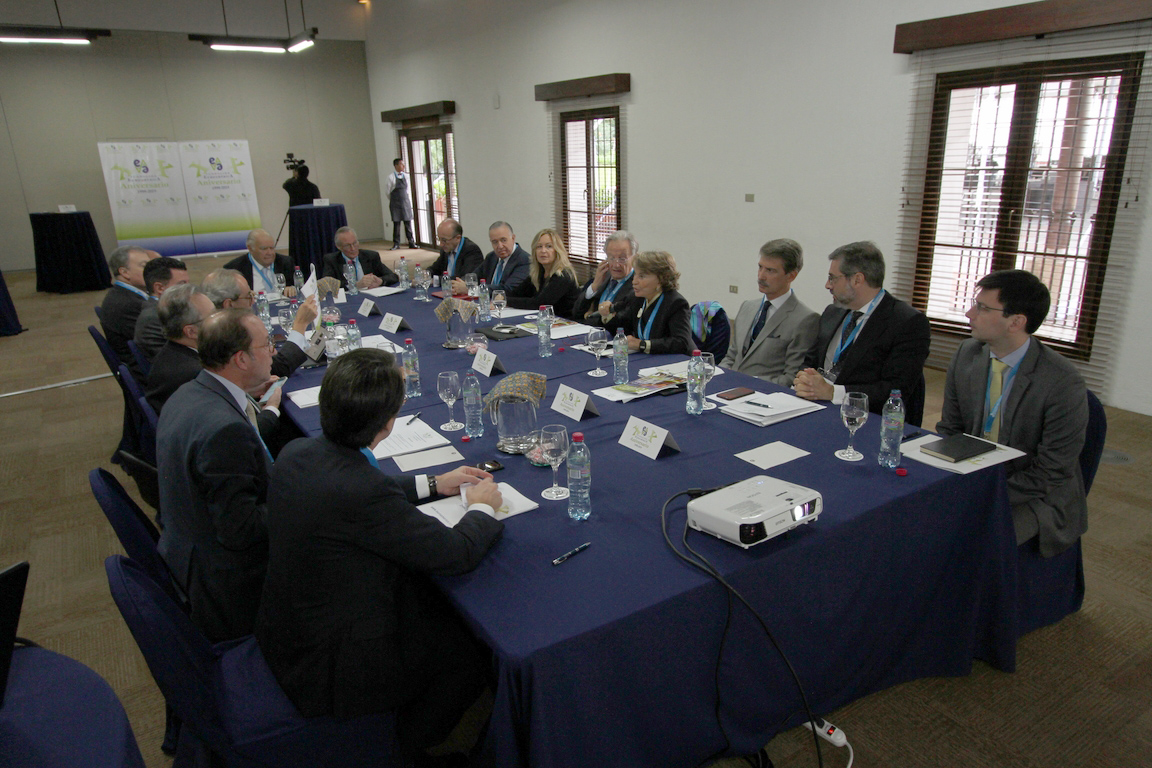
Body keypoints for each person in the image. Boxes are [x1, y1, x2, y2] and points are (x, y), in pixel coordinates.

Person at [256, 348, 504, 765]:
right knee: (468, 655)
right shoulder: (362, 491)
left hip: (287, 627)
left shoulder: (297, 452)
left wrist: (433, 483)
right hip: (332, 664)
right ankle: (400, 750)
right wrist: (481, 508)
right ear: (388, 423)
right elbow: (456, 552)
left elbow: (364, 492)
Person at [937, 270, 1088, 556]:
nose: (969, 314)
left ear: (1016, 322)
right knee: (917, 515)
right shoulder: (967, 354)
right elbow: (950, 429)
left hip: (1034, 494)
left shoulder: (1062, 381)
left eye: (982, 308)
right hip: (974, 472)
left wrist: (986, 495)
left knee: (972, 540)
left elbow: (1051, 471)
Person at [157, 309, 282, 642]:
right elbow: (241, 530)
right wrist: (298, 498)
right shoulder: (225, 430)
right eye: (267, 344)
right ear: (241, 359)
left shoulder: (188, 393)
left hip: (189, 551)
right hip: (232, 586)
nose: (273, 351)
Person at [794, 241, 931, 426]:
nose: (827, 285)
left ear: (857, 280)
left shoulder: (907, 322)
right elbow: (810, 361)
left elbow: (895, 389)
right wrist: (804, 380)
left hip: (865, 421)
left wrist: (833, 393)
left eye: (833, 278)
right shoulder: (832, 312)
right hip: (814, 410)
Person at [721, 238, 819, 386]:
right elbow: (732, 356)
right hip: (727, 388)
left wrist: (745, 382)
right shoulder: (747, 307)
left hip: (763, 393)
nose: (761, 276)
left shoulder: (805, 319)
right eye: (760, 267)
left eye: (770, 270)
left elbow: (792, 378)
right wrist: (719, 375)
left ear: (791, 276)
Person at [201, 268, 318, 379]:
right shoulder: (224, 335)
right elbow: (277, 368)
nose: (253, 301)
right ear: (229, 304)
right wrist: (300, 324)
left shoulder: (209, 328)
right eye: (248, 297)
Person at [602, 251, 694, 355]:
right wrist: (607, 314)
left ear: (661, 279)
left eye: (641, 276)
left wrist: (642, 345)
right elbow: (622, 328)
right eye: (635, 274)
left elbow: (681, 343)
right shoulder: (638, 299)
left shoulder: (676, 303)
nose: (634, 281)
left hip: (680, 360)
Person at [145, 283, 216, 414]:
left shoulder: (173, 352)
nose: (220, 321)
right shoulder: (196, 375)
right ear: (191, 331)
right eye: (213, 317)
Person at [99, 245, 156, 377]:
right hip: (147, 371)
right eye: (144, 266)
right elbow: (158, 341)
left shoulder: (124, 294)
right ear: (124, 272)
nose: (151, 272)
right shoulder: (128, 304)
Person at [505, 228, 581, 318]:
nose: (543, 251)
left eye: (549, 246)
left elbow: (540, 304)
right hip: (546, 320)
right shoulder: (539, 273)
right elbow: (517, 293)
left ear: (557, 250)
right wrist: (501, 297)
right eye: (539, 247)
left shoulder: (563, 275)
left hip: (568, 323)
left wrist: (505, 301)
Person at [571, 230, 637, 326]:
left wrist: (590, 317)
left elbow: (622, 323)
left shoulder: (637, 285)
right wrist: (594, 286)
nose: (616, 265)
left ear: (634, 258)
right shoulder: (604, 276)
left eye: (622, 259)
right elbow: (576, 313)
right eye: (611, 258)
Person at [133, 256, 189, 361]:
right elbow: (177, 359)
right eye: (182, 284)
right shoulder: (154, 319)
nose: (189, 289)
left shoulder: (165, 310)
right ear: (159, 288)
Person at [223, 229, 298, 298]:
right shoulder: (234, 268)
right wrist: (245, 296)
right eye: (264, 249)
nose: (270, 253)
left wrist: (292, 288)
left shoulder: (285, 262)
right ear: (250, 248)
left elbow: (297, 286)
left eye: (272, 248)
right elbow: (228, 296)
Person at [321, 226, 398, 290]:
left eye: (355, 243)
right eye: (347, 245)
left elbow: (393, 277)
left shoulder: (371, 256)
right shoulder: (331, 260)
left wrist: (381, 281)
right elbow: (327, 284)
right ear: (339, 247)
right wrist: (355, 285)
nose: (353, 248)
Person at [429, 218, 485, 293]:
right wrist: (425, 274)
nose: (441, 244)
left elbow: (463, 279)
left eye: (444, 240)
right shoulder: (446, 248)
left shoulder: (471, 250)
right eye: (439, 239)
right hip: (447, 291)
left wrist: (436, 280)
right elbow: (435, 268)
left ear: (458, 238)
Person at [479, 221, 530, 293]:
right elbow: (475, 276)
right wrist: (464, 284)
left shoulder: (525, 260)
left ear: (513, 238)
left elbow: (508, 289)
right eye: (495, 242)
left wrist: (476, 289)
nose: (500, 246)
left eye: (503, 240)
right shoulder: (491, 257)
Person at [385, 158, 416, 250]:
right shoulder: (390, 177)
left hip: (405, 202)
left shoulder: (406, 176)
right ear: (396, 166)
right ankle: (396, 244)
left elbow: (408, 190)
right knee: (396, 224)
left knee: (408, 223)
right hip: (395, 203)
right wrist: (394, 199)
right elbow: (387, 192)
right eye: (401, 164)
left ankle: (411, 242)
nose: (403, 166)